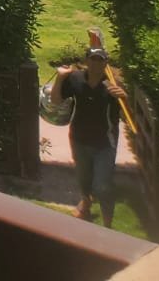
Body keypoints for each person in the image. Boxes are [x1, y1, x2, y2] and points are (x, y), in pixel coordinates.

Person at [50, 47, 126, 225]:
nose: (96, 63)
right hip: (78, 139)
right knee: (84, 178)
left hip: (104, 143)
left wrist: (125, 98)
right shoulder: (76, 79)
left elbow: (129, 117)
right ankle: (86, 204)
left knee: (102, 186)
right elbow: (55, 100)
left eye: (100, 60)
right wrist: (60, 78)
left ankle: (107, 224)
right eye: (93, 59)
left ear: (106, 63)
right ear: (86, 61)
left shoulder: (112, 84)